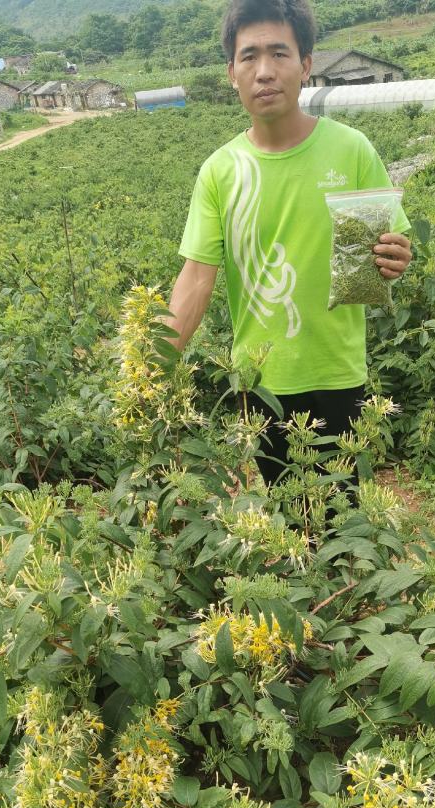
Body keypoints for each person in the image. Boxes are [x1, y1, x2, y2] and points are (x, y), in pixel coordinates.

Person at [167, 0, 413, 485]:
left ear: (305, 66)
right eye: (249, 57)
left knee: (341, 514)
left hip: (339, 372)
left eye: (279, 54)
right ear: (231, 73)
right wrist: (149, 366)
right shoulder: (221, 171)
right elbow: (195, 279)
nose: (264, 72)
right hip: (261, 381)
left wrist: (396, 254)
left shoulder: (352, 149)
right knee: (288, 516)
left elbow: (392, 242)